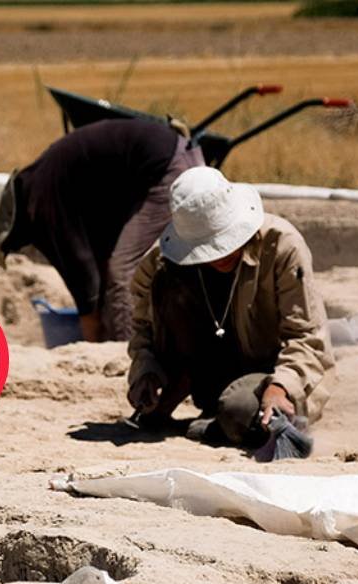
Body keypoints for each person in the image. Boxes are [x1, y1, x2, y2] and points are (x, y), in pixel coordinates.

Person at [125, 166, 335, 449]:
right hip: (209, 374)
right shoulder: (159, 263)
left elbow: (307, 337)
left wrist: (281, 386)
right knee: (165, 280)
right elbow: (142, 329)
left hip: (273, 373)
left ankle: (225, 420)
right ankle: (175, 395)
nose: (220, 254)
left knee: (240, 412)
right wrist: (145, 372)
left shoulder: (282, 247)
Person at [0, 118, 203, 342]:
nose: (19, 246)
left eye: (9, 244)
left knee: (121, 270)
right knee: (114, 269)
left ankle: (126, 351)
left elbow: (81, 270)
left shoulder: (40, 202)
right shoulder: (39, 183)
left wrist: (90, 337)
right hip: (175, 156)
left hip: (167, 168)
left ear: (10, 225)